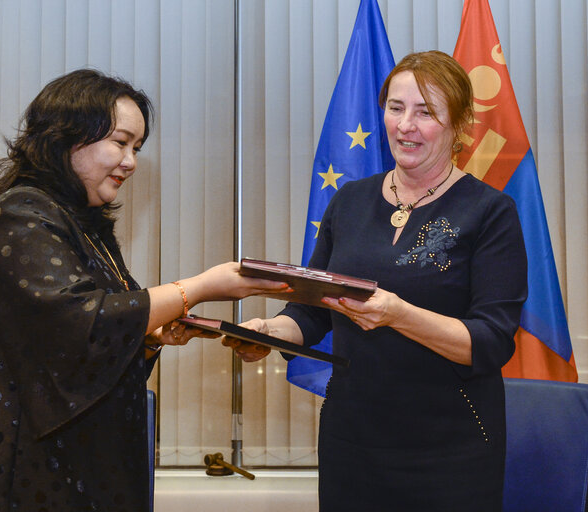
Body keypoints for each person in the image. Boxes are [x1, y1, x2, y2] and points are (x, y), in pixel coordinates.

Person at [0, 69, 288, 512]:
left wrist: (148, 338)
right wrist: (199, 288)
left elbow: (88, 343)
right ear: (66, 138)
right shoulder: (21, 213)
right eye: (121, 142)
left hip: (70, 458)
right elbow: (81, 321)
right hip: (9, 461)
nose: (131, 161)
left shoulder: (84, 224)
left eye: (137, 148)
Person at [223, 51, 527, 511]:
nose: (405, 125)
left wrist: (399, 315)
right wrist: (268, 332)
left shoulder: (490, 212)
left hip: (451, 450)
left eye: (426, 112)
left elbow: (490, 341)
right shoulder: (349, 201)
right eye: (396, 107)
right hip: (352, 441)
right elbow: (311, 310)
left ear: (460, 124)